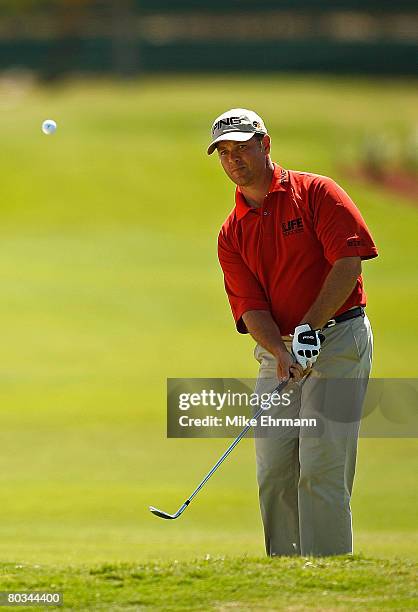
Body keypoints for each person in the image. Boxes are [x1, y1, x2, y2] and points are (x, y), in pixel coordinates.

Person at [209, 108, 378, 557]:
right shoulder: (231, 233)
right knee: (275, 470)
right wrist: (281, 352)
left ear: (265, 144)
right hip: (279, 352)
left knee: (321, 467)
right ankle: (285, 576)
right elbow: (251, 308)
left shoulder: (317, 192)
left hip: (338, 342)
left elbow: (348, 262)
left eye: (242, 147)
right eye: (224, 152)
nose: (234, 159)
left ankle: (325, 574)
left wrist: (310, 327)